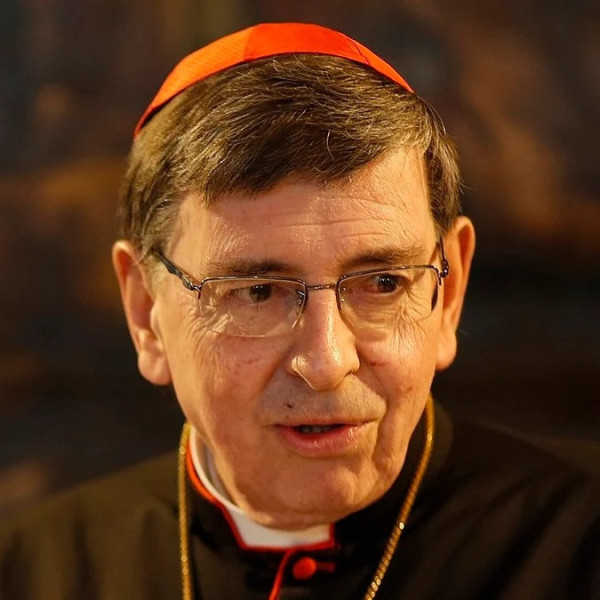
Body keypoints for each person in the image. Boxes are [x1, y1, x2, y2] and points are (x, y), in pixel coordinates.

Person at [1, 22, 599, 600]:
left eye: (383, 283)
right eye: (258, 291)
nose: (327, 362)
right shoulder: (30, 571)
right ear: (145, 312)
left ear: (450, 292)